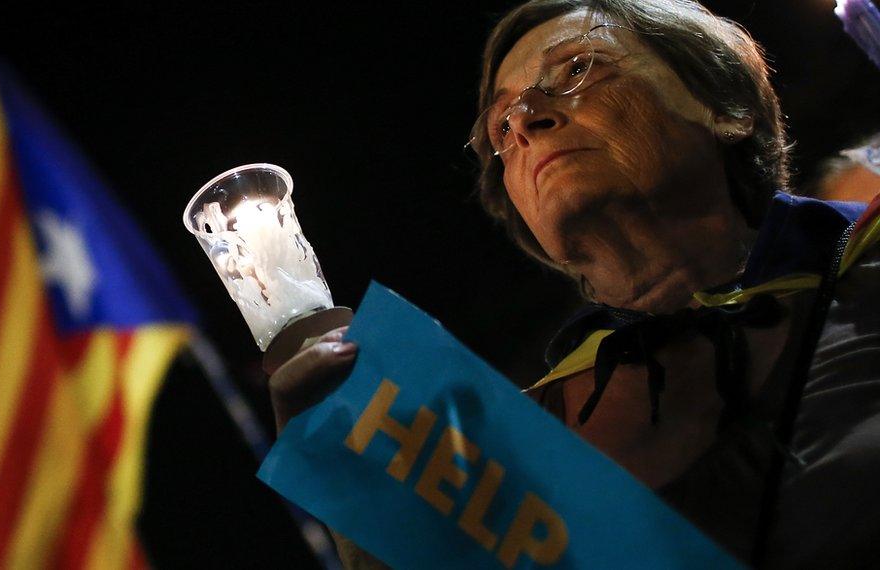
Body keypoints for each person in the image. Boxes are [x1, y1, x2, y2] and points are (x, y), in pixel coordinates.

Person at [267, 0, 880, 567]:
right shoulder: (506, 451)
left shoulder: (865, 261)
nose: (528, 119)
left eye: (579, 68)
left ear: (726, 110)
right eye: (501, 127)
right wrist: (367, 508)